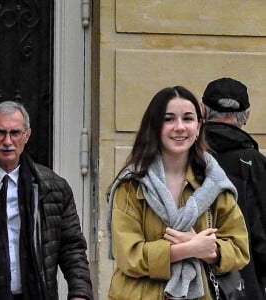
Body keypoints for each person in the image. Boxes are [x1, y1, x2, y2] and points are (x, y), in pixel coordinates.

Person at [106, 86, 249, 300]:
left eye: (188, 119)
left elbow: (239, 247)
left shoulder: (214, 184)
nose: (179, 127)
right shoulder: (131, 185)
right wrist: (190, 249)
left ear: (199, 126)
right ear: (154, 126)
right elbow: (128, 256)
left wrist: (212, 251)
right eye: (169, 119)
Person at [0, 101, 93, 300]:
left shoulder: (53, 188)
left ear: (27, 135)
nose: (7, 141)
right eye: (0, 132)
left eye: (15, 133)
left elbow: (72, 247)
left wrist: (80, 294)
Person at [202, 77, 266, 299]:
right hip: (247, 284)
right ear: (246, 116)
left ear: (202, 111)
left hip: (194, 281)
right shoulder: (254, 163)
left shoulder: (186, 157)